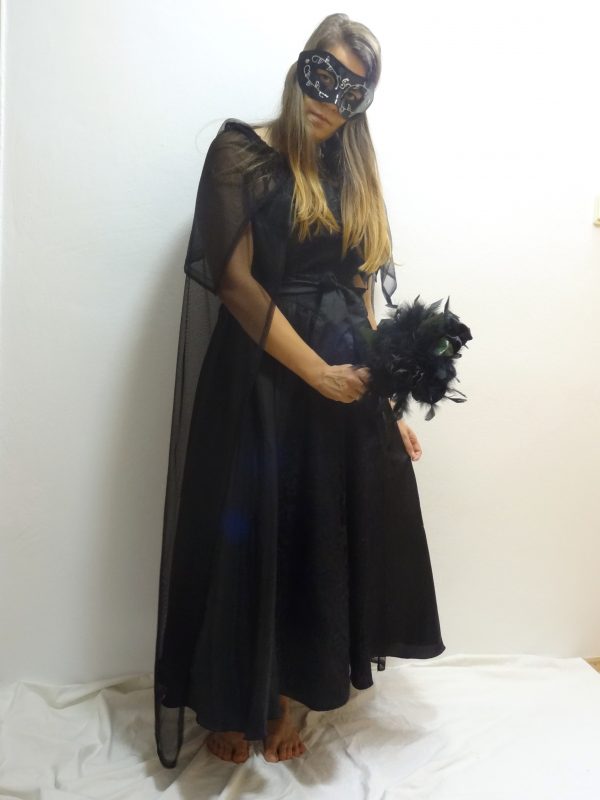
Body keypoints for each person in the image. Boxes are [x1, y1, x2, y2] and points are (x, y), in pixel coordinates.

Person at [153, 12, 446, 769]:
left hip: (346, 379)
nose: (331, 101)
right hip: (264, 372)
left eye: (353, 92)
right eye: (324, 76)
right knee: (250, 530)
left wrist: (385, 402)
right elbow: (235, 282)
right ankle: (233, 699)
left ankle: (285, 696)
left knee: (316, 531)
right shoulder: (240, 153)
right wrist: (313, 372)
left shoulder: (354, 176)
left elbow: (362, 296)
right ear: (300, 66)